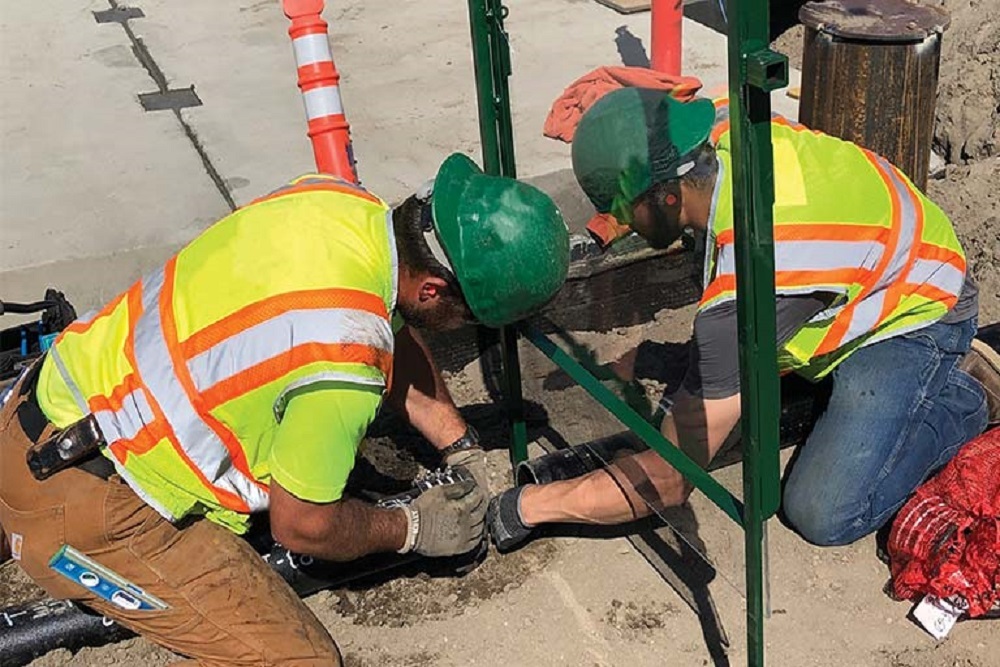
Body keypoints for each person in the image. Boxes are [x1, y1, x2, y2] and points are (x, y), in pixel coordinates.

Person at [0, 153, 569, 666]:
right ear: (433, 291)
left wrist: (457, 442)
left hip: (37, 405)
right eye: (467, 316)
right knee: (300, 661)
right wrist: (412, 527)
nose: (462, 326)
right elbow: (302, 526)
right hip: (97, 506)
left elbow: (387, 320)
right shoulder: (344, 360)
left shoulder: (338, 202)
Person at [488, 88, 1000, 553]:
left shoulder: (754, 281)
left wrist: (529, 505)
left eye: (623, 209)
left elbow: (668, 480)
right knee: (728, 376)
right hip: (874, 263)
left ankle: (968, 395)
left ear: (668, 197)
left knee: (822, 512)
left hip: (917, 308)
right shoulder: (719, 131)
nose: (618, 223)